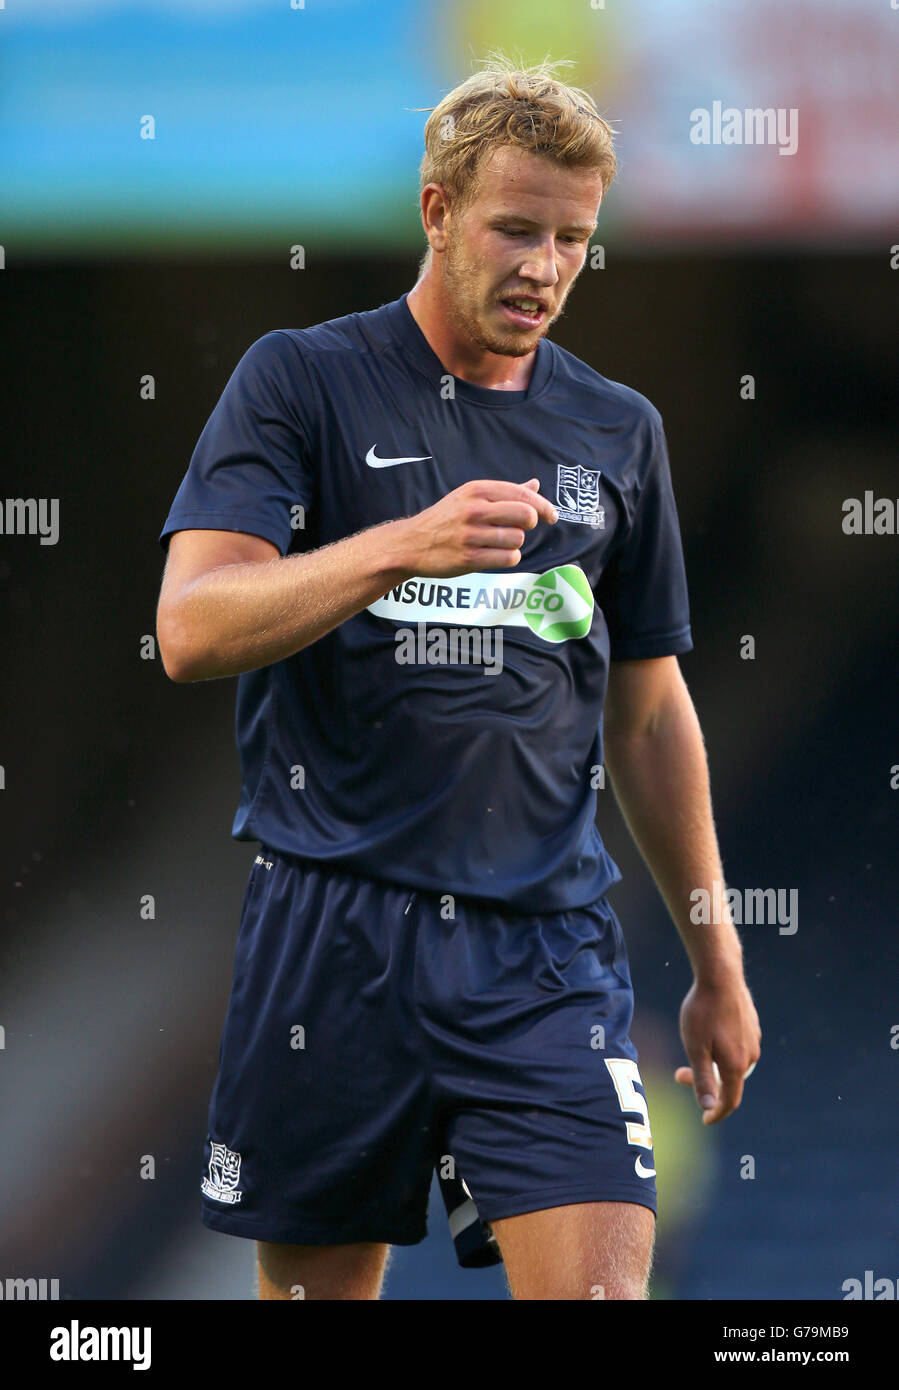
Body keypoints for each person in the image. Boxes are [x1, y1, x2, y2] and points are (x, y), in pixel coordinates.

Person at [156, 55, 761, 1301]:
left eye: (573, 240)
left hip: (542, 950)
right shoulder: (300, 378)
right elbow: (191, 627)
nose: (545, 266)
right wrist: (401, 545)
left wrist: (717, 959)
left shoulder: (616, 430)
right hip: (330, 935)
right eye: (516, 229)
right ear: (436, 212)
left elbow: (647, 714)